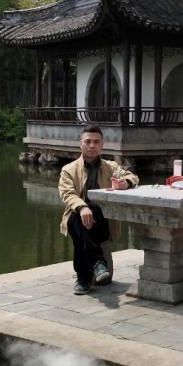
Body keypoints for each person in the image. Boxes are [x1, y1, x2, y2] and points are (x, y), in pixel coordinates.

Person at [58, 125, 139, 295]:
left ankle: (86, 275)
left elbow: (133, 177)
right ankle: (93, 267)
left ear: (102, 145)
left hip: (102, 218)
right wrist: (82, 207)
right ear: (80, 143)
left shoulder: (111, 167)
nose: (92, 145)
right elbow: (67, 193)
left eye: (96, 142)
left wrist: (126, 183)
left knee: (82, 237)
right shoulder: (68, 170)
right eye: (88, 141)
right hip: (78, 214)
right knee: (77, 220)